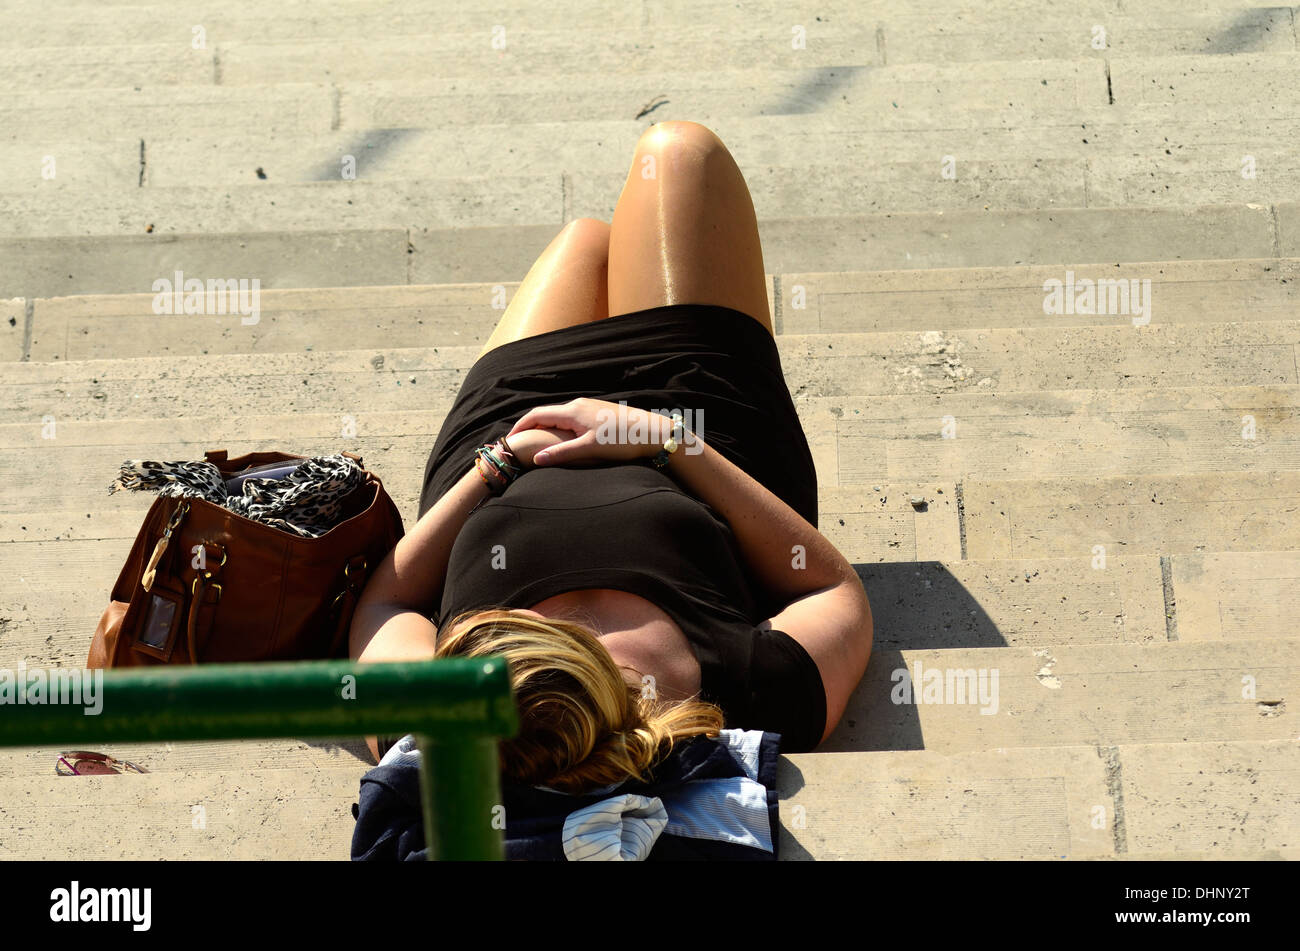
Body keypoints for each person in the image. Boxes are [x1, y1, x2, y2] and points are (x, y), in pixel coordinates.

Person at [348, 120, 873, 795]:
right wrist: (663, 439)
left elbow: (387, 600)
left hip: (517, 423)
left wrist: (498, 464)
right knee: (678, 153)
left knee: (586, 240)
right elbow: (835, 590)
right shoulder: (742, 693)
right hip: (698, 412)